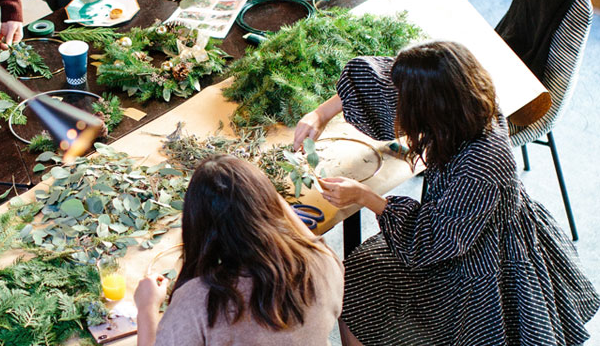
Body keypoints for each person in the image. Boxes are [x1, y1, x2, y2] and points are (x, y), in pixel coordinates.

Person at [292, 41, 599, 345]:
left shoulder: (482, 165)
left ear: (431, 109)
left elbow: (430, 243)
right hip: (456, 220)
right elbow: (380, 78)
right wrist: (321, 114)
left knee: (355, 289)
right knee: (355, 276)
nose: (398, 107)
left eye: (406, 104)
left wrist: (366, 197)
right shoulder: (466, 97)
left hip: (476, 256)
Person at [134, 155, 343, 346]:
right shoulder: (323, 263)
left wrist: (147, 308)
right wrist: (263, 193)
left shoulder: (200, 301)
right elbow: (313, 242)